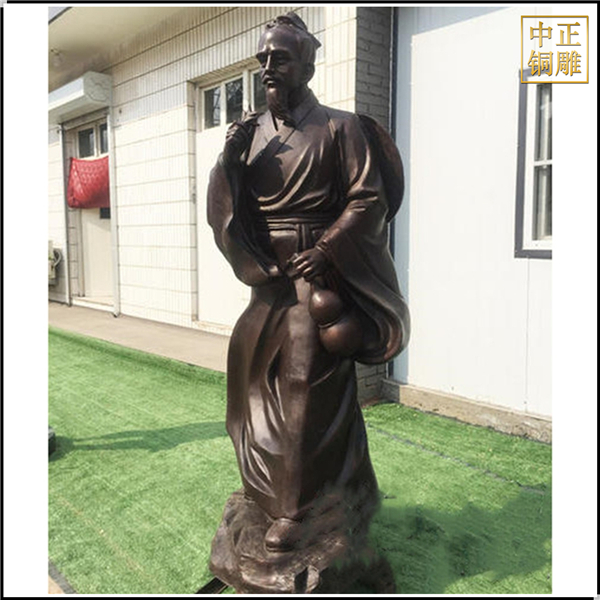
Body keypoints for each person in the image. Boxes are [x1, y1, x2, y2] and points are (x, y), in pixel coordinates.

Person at [207, 12, 410, 555]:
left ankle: (294, 511)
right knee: (247, 385)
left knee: (304, 373)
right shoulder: (250, 136)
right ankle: (267, 492)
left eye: (280, 58)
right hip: (268, 282)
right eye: (263, 59)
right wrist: (230, 164)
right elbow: (227, 209)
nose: (268, 68)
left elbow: (368, 199)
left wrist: (326, 249)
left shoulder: (342, 128)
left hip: (318, 279)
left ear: (307, 65)